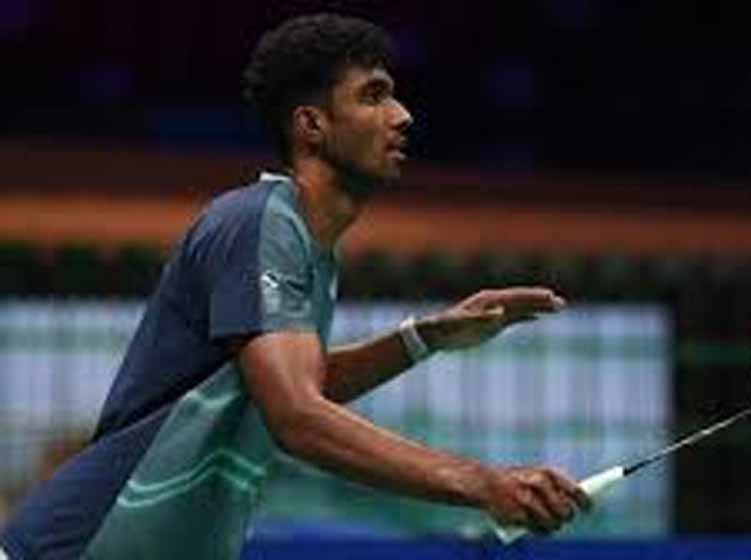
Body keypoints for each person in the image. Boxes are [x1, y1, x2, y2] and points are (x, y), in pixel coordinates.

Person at [0, 13, 589, 560]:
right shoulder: (258, 223)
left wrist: (422, 338)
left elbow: (287, 388)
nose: (403, 115)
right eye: (373, 95)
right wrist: (484, 484)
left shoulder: (307, 246)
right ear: (311, 125)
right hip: (75, 547)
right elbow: (297, 417)